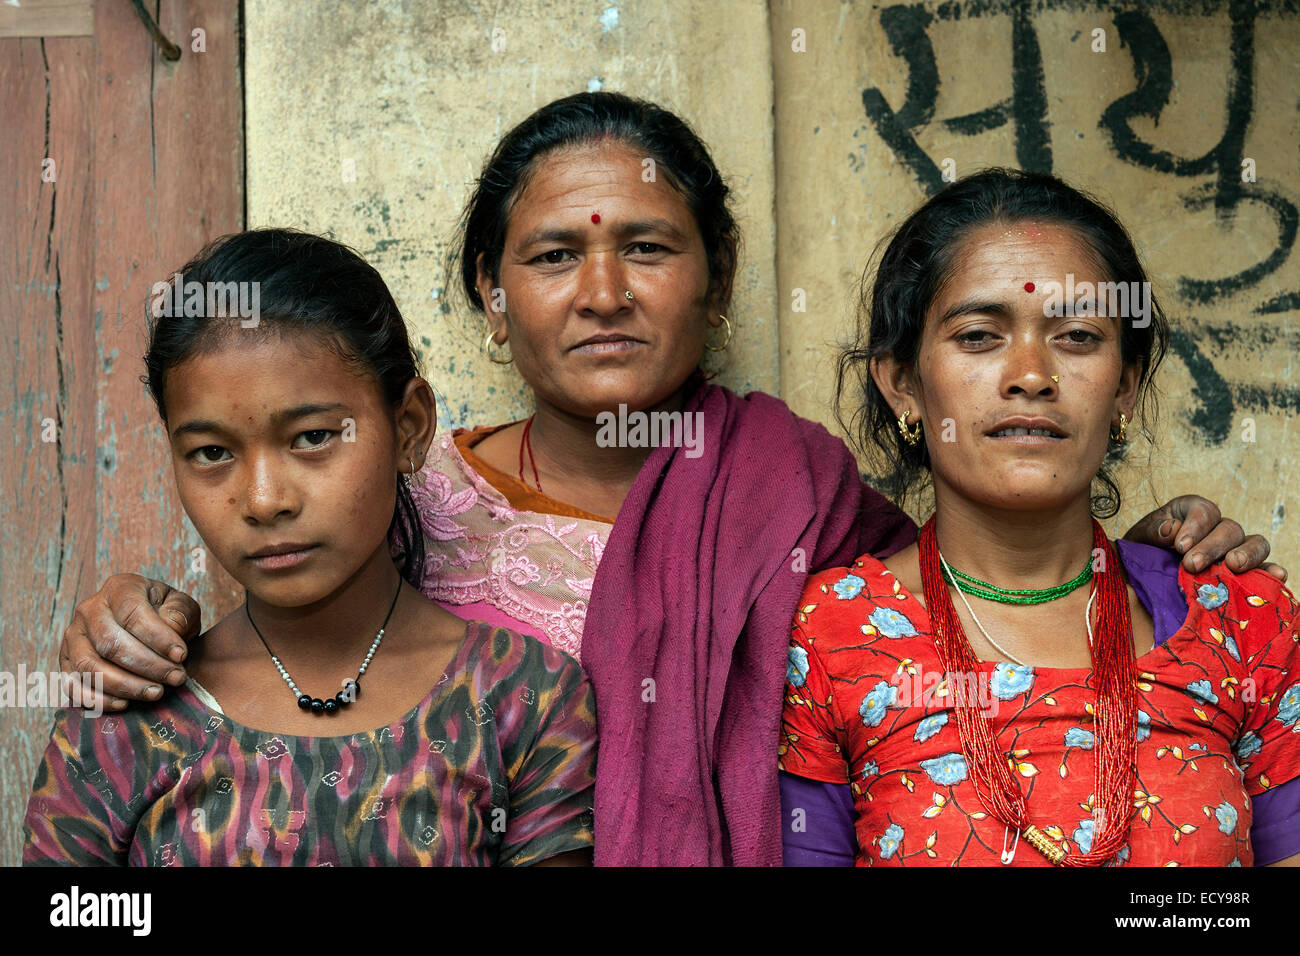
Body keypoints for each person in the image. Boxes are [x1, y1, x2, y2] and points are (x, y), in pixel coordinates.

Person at [54, 94, 1283, 866]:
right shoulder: (391, 509)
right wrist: (145, 613)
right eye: (549, 256)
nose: (603, 294)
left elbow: (992, 575)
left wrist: (1154, 560)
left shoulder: (797, 496)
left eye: (647, 246)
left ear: (718, 276)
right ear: (491, 292)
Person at [24, 230, 596, 866]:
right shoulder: (124, 712)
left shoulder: (522, 696)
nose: (265, 499)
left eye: (314, 437)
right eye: (211, 453)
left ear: (408, 428)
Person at [779, 168, 1299, 866]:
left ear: (1126, 387)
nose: (1031, 373)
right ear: (902, 383)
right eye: (978, 336)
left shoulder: (1237, 615)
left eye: (1078, 336)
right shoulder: (827, 638)